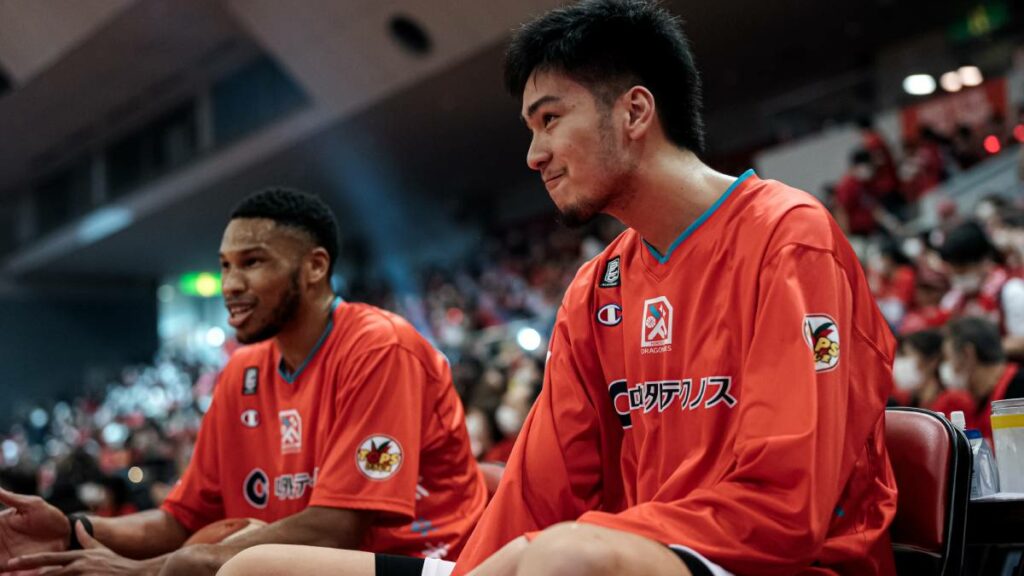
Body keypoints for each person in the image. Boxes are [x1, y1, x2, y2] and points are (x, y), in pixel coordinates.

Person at [221, 2, 898, 575]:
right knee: (253, 566)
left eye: (550, 119)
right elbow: (538, 493)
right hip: (632, 552)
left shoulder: (789, 234)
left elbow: (787, 502)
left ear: (635, 112)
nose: (533, 153)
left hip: (783, 561)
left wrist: (578, 543)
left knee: (561, 556)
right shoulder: (597, 287)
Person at [0, 188, 486, 576]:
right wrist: (70, 529)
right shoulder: (242, 371)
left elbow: (336, 530)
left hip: (429, 564)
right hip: (297, 568)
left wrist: (143, 573)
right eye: (225, 266)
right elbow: (179, 521)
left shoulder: (379, 347)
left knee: (206, 563)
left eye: (252, 262)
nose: (230, 284)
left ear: (315, 267)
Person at [938, 220, 1024, 359]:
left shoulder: (1011, 291)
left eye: (962, 271)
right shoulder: (952, 301)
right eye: (953, 272)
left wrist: (980, 352)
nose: (957, 278)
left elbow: (1021, 342)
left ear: (985, 262)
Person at [942, 317, 1024, 442]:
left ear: (968, 354)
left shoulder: (1019, 389)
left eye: (948, 358)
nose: (945, 367)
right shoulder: (977, 400)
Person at [890, 330, 975, 424]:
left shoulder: (954, 400)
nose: (906, 363)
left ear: (932, 361)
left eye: (911, 355)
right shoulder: (907, 400)